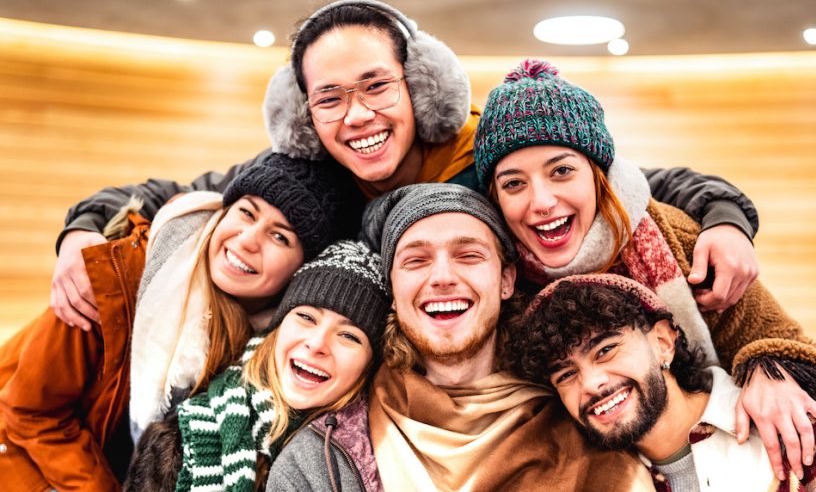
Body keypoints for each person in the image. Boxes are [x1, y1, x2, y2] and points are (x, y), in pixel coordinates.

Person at [52, 0, 760, 334]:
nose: (356, 117)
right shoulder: (309, 168)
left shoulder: (489, 150)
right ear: (303, 114)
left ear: (419, 86)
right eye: (329, 98)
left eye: (376, 88)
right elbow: (176, 192)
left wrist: (726, 221)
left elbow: (643, 183)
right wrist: (83, 229)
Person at [472, 58, 816, 480]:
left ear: (600, 175)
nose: (542, 201)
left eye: (562, 171)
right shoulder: (499, 279)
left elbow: (778, 337)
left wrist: (768, 371)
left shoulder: (672, 237)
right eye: (514, 183)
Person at [269, 184, 656, 492]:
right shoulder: (321, 462)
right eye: (416, 260)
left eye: (468, 255)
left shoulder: (592, 417)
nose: (441, 277)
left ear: (506, 280)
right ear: (393, 287)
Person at [0, 153, 344, 492]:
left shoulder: (276, 346)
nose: (247, 240)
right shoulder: (122, 274)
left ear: (300, 270)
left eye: (280, 236)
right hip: (29, 461)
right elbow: (30, 412)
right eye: (245, 213)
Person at [506, 273, 816, 491]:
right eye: (566, 375)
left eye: (605, 350)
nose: (592, 383)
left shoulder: (802, 432)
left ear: (663, 343)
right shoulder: (589, 482)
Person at [124, 240, 389, 492]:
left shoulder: (372, 461)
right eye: (306, 317)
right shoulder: (178, 441)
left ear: (368, 366)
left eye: (349, 336)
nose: (317, 343)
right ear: (277, 329)